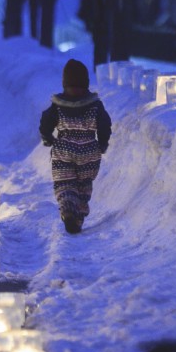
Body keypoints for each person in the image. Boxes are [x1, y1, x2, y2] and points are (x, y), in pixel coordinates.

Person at [39, 58, 111, 234]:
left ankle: (68, 211)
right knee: (83, 185)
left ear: (65, 84)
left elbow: (46, 122)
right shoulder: (95, 104)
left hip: (64, 149)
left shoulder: (58, 105)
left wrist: (47, 137)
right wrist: (102, 144)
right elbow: (104, 125)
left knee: (65, 183)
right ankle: (78, 217)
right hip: (89, 152)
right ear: (86, 83)